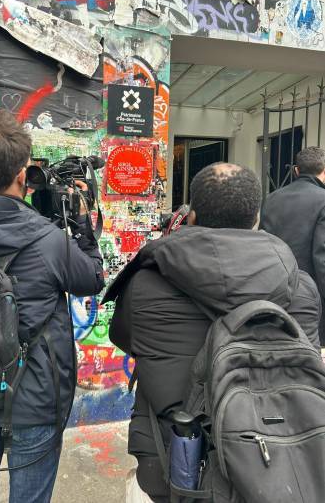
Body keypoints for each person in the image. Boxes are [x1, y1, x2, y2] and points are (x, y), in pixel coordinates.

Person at [105, 163, 321, 503]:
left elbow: (123, 339)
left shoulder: (145, 282)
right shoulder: (301, 287)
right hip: (273, 469)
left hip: (174, 463)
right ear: (256, 219)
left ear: (191, 216)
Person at [0, 110, 105, 503]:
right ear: (21, 175)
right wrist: (81, 224)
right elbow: (92, 279)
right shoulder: (46, 238)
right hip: (33, 399)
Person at [261, 146, 325, 343]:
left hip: (272, 292)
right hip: (310, 298)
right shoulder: (323, 200)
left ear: (296, 170)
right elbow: (322, 258)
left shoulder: (272, 198)